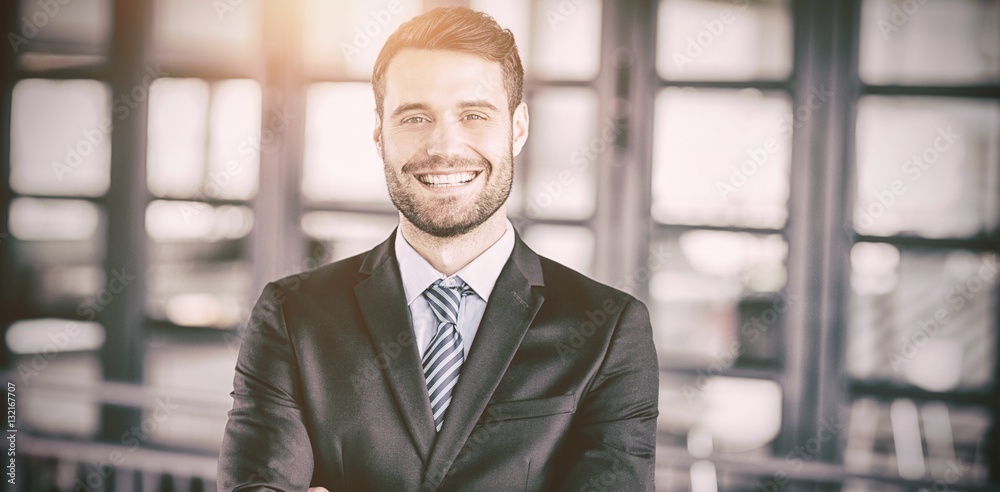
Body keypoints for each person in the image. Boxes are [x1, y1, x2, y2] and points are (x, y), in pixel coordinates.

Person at [218, 7, 658, 491]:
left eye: (473, 115)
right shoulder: (292, 316)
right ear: (380, 134)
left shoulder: (608, 331)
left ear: (517, 127)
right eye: (415, 117)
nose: (443, 146)